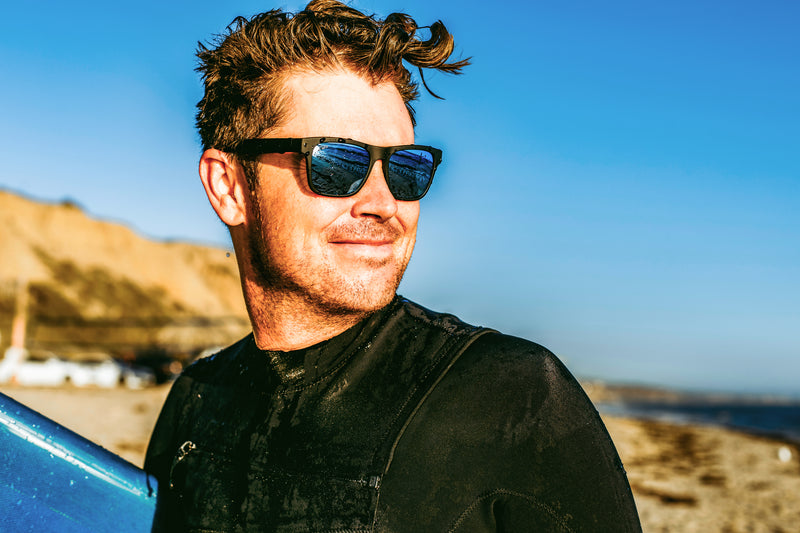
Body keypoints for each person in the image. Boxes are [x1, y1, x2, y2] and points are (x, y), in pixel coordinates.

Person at [144, 1, 642, 531]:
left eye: (406, 167)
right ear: (230, 187)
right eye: (336, 162)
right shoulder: (196, 400)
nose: (385, 204)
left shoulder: (510, 396)